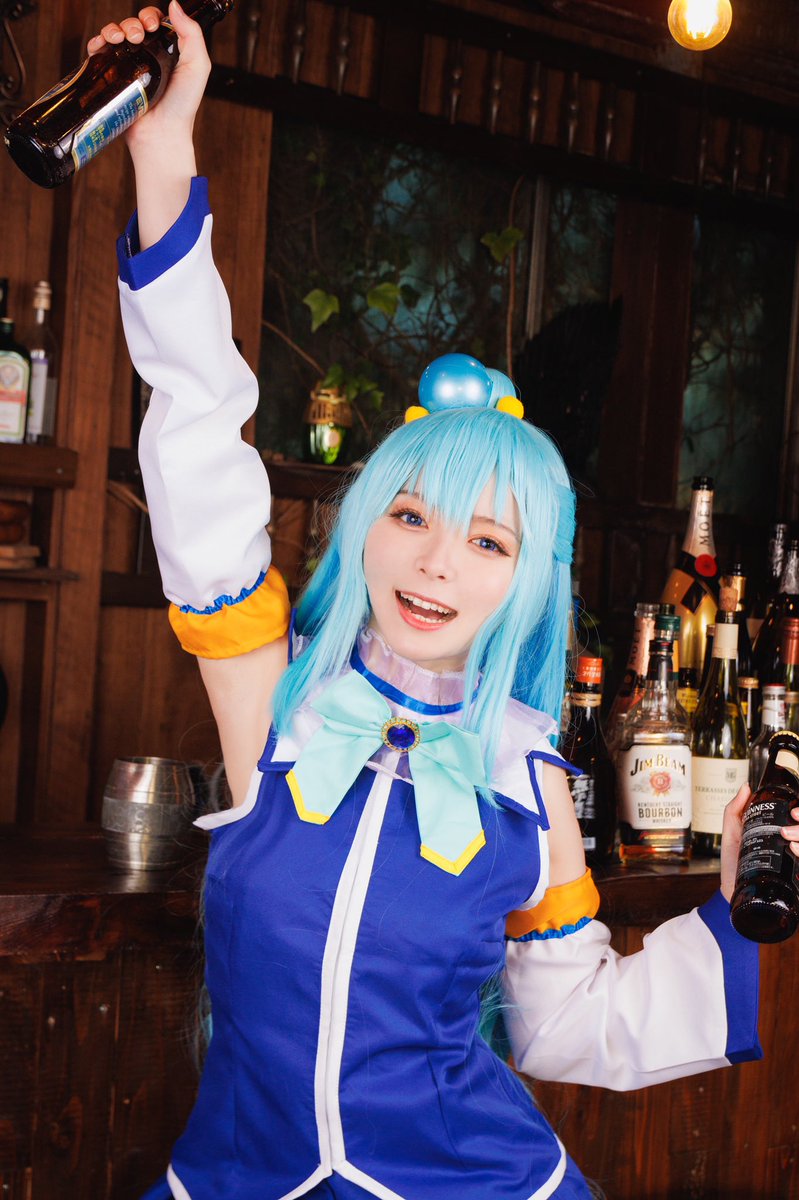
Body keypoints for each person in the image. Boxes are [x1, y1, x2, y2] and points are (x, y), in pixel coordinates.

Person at [90, 6, 794, 1198]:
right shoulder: (278, 699)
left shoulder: (528, 774)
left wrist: (732, 903)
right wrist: (162, 152)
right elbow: (198, 438)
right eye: (411, 517)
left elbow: (569, 1025)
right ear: (367, 526)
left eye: (485, 541)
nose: (436, 566)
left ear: (524, 580)